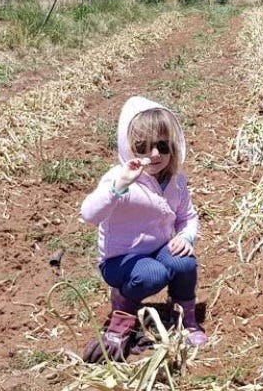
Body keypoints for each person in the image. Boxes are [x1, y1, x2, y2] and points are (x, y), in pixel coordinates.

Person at [78, 96, 209, 362]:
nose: (154, 154)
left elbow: (188, 217)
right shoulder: (119, 179)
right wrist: (119, 186)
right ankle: (121, 319)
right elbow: (89, 214)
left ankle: (184, 318)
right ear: (129, 148)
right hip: (120, 260)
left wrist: (186, 236)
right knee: (152, 274)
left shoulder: (176, 181)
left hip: (158, 249)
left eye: (162, 145)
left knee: (184, 263)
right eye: (143, 147)